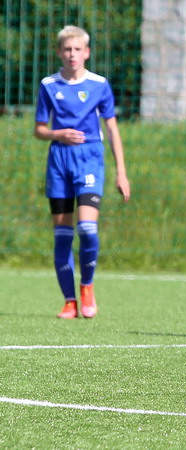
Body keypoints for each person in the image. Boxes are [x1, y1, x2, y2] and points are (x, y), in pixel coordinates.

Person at [34, 25, 130, 319]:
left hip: (89, 160)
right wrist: (58, 134)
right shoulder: (49, 85)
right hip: (59, 161)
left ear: (86, 52)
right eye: (67, 49)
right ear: (59, 52)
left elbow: (112, 130)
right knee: (62, 234)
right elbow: (39, 130)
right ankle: (69, 301)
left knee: (87, 229)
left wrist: (121, 172)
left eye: (77, 49)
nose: (72, 54)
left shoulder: (99, 85)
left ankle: (87, 285)